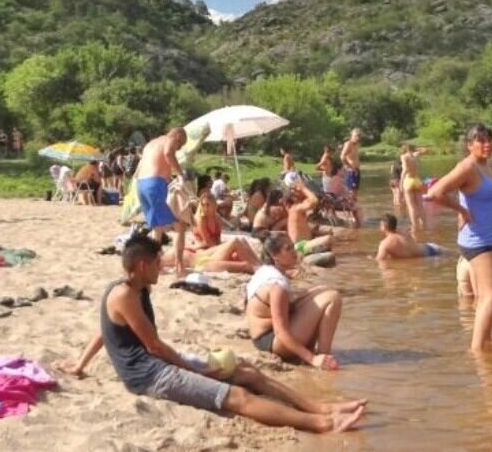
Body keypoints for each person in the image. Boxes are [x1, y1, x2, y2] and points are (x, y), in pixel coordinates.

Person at [57, 234, 365, 432]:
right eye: (157, 263)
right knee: (237, 397)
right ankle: (322, 423)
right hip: (149, 376)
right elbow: (154, 347)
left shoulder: (138, 288)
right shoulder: (123, 294)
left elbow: (106, 330)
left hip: (160, 364)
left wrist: (80, 365)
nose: (162, 267)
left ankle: (320, 406)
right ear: (140, 265)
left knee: (248, 372)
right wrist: (193, 368)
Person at [426, 123, 492, 352]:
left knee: (488, 296)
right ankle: (478, 350)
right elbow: (434, 193)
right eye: (481, 141)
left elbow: (487, 197)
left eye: (490, 139)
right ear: (469, 145)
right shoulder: (468, 167)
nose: (487, 144)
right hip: (477, 239)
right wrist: (461, 211)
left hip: (491, 237)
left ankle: (485, 342)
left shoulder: (486, 165)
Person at [246, 234, 344, 370]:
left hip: (264, 336)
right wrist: (312, 359)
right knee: (333, 298)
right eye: (288, 249)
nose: (295, 252)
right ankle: (323, 356)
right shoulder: (277, 287)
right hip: (272, 342)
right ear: (275, 256)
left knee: (323, 290)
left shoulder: (267, 271)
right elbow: (281, 333)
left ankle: (318, 352)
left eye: (293, 247)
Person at [135, 128, 189, 275]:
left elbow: (139, 168)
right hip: (155, 184)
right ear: (178, 136)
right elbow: (168, 153)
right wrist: (181, 174)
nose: (180, 148)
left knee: (156, 228)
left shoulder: (150, 144)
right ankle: (179, 267)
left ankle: (156, 265)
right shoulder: (169, 140)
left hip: (140, 184)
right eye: (181, 143)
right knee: (180, 226)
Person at [286, 179, 333, 255]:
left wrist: (317, 232)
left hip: (304, 243)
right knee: (329, 239)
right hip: (300, 246)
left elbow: (301, 230)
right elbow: (314, 201)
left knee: (328, 237)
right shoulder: (296, 208)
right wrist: (303, 188)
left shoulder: (296, 208)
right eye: (301, 192)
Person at [375, 214, 444, 261]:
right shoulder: (403, 232)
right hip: (431, 249)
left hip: (426, 258)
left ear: (383, 227)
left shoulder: (384, 244)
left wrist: (368, 258)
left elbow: (379, 260)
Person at [398, 143, 430, 238]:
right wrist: (418, 149)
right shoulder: (416, 155)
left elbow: (405, 170)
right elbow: (426, 150)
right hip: (417, 180)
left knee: (411, 206)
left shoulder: (404, 156)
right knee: (420, 205)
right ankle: (425, 226)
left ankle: (415, 226)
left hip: (408, 180)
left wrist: (400, 183)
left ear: (404, 149)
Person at [339, 128, 362, 204]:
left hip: (356, 171)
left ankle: (355, 211)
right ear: (351, 135)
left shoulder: (356, 145)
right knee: (351, 193)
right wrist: (351, 167)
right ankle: (351, 211)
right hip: (351, 172)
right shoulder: (348, 144)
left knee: (355, 193)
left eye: (359, 136)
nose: (357, 138)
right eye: (356, 136)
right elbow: (342, 157)